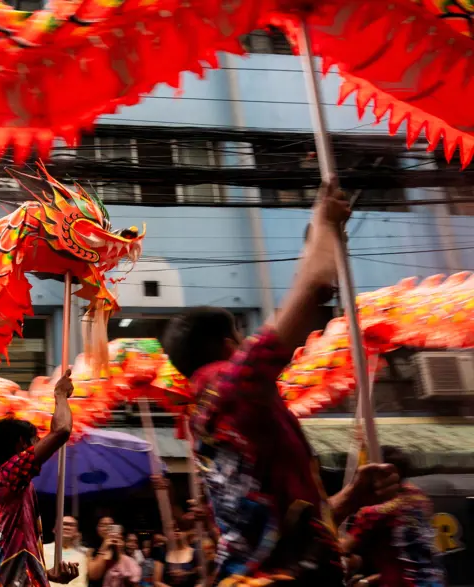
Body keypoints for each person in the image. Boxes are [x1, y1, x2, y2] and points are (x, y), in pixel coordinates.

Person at [161, 185, 400, 586]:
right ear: (229, 346)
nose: (249, 341)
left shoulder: (223, 418)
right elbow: (314, 290)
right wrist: (324, 223)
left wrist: (354, 495)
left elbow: (302, 525)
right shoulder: (234, 390)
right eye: (242, 334)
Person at [0, 369, 80, 587]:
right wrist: (60, 395)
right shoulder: (8, 475)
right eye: (36, 440)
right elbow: (62, 430)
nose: (41, 446)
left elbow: (14, 561)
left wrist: (46, 574)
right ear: (21, 444)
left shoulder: (16, 486)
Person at [343, 447, 445, 587]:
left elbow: (338, 550)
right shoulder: (420, 497)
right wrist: (367, 581)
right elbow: (410, 561)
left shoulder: (374, 512)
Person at [43, 517, 89, 587]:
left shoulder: (81, 555)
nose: (67, 527)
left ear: (76, 532)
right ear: (54, 529)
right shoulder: (42, 549)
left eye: (71, 525)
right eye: (63, 524)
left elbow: (81, 582)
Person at [88, 516, 117, 587]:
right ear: (97, 528)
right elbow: (93, 575)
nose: (107, 528)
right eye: (103, 525)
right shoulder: (90, 549)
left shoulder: (119, 547)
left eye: (111, 526)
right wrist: (104, 546)